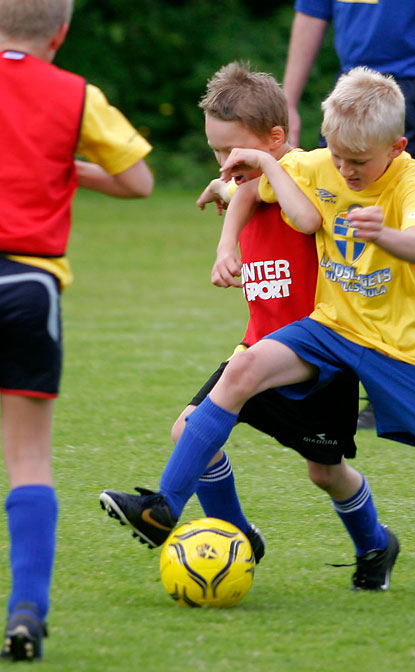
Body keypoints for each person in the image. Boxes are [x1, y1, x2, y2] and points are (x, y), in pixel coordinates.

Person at [102, 67, 415, 607]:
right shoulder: (318, 163)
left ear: (396, 146)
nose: (344, 171)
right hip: (330, 329)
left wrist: (388, 234)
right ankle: (163, 507)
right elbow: (254, 182)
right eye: (337, 157)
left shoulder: (411, 180)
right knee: (238, 372)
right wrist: (232, 204)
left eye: (357, 162)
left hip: (401, 347)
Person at [99, 62, 397, 590]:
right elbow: (239, 191)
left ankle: (375, 543)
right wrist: (225, 237)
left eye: (233, 150)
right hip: (258, 350)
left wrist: (242, 186)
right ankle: (235, 535)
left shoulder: (303, 173)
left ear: (274, 140)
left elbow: (303, 214)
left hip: (317, 358)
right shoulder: (248, 182)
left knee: (325, 472)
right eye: (216, 151)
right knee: (191, 429)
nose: (225, 163)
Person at [0, 0, 153, 661]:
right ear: (60, 33)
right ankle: (27, 611)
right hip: (29, 288)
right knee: (29, 459)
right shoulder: (74, 95)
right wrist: (65, 166)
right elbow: (139, 180)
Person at [282, 0, 415, 427]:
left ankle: (397, 366)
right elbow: (311, 14)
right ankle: (413, 350)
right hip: (354, 90)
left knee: (401, 228)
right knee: (342, 228)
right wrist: (288, 100)